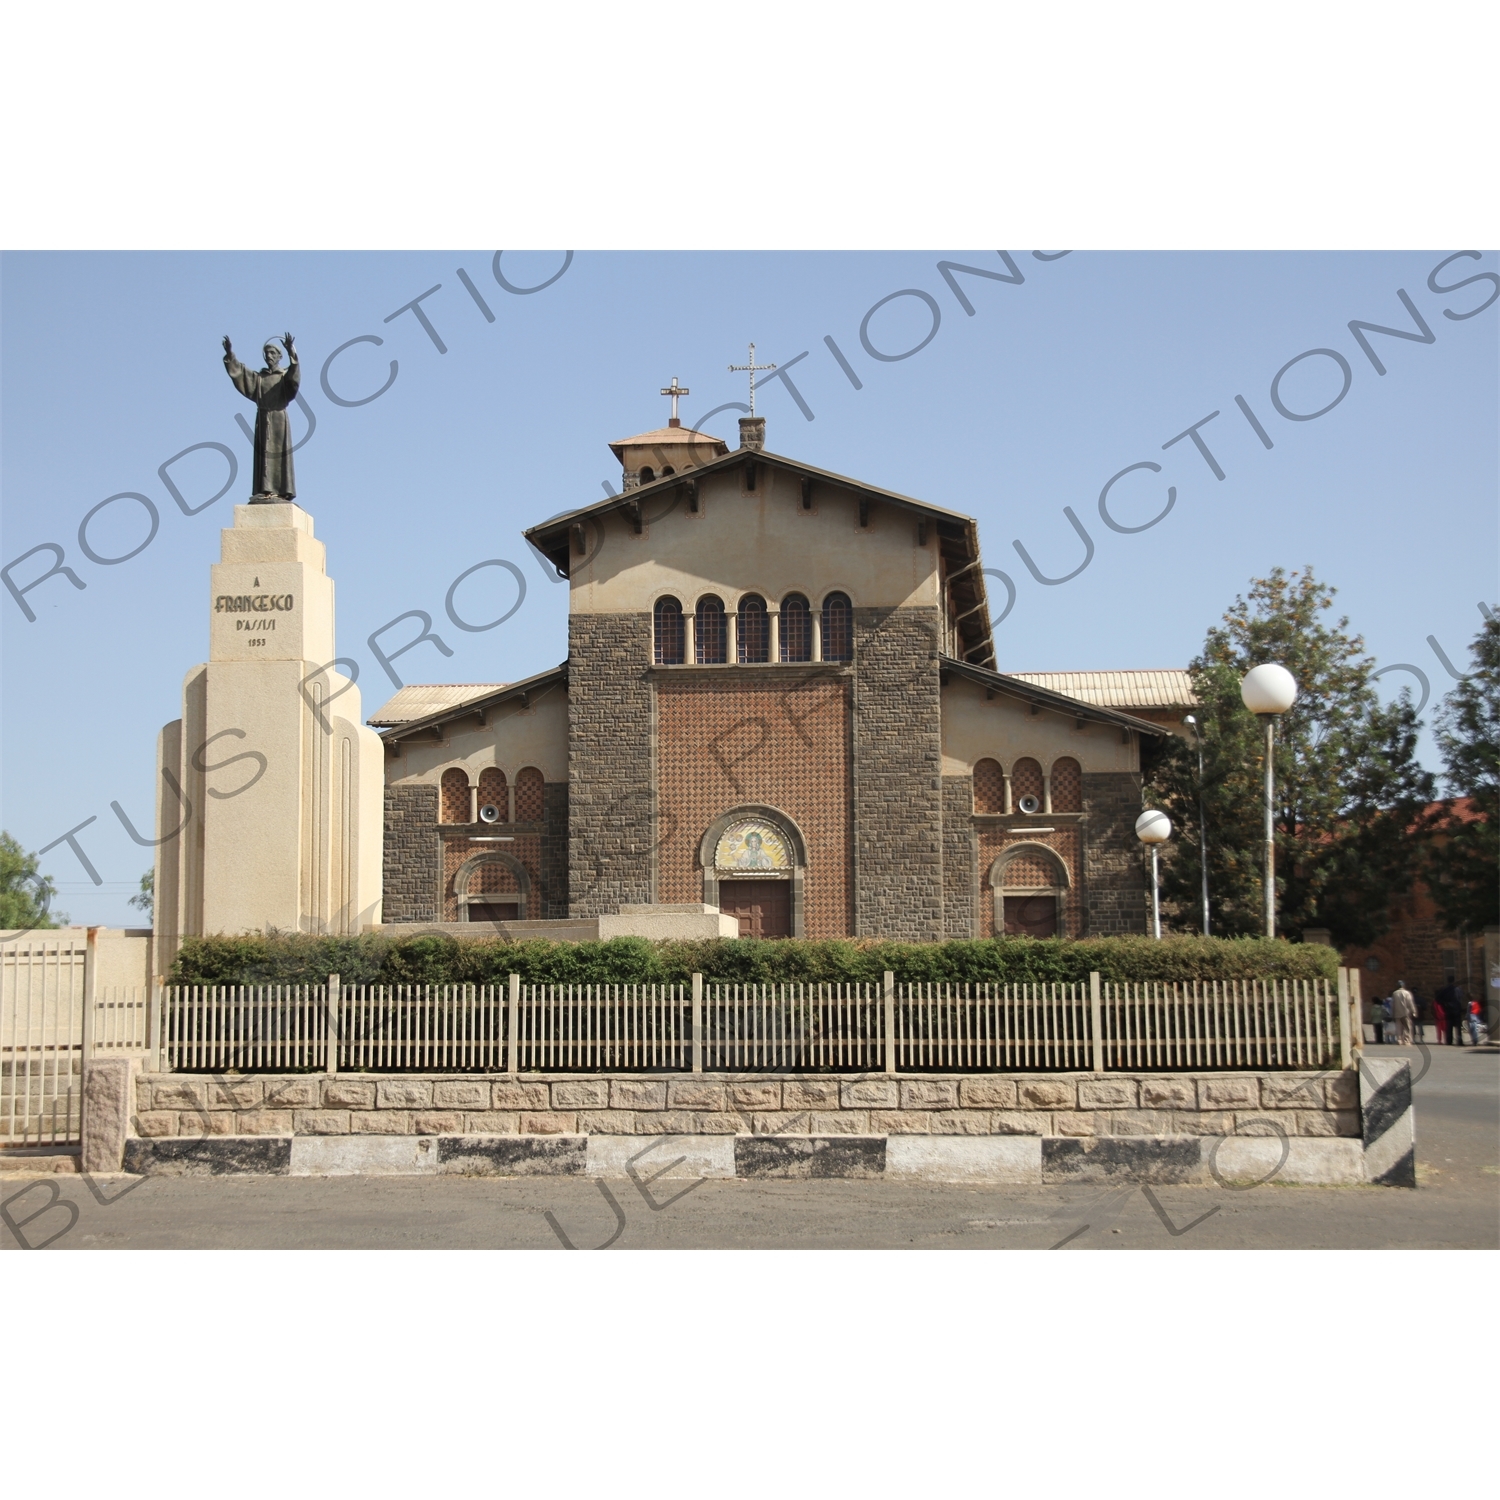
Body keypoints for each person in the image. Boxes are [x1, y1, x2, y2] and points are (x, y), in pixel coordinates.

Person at [1390, 981, 1416, 1046]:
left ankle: (1399, 1040)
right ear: (1403, 986)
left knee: (1398, 1027)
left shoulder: (1395, 993)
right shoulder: (1407, 993)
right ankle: (1406, 1040)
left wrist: (1392, 1013)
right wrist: (1413, 1011)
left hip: (1397, 1013)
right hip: (1406, 1012)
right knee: (1407, 1027)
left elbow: (1393, 1004)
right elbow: (1410, 1003)